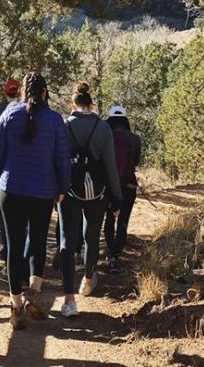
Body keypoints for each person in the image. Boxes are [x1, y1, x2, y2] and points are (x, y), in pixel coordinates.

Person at [0, 72, 70, 330]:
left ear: (22, 90)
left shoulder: (9, 115)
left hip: (10, 188)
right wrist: (63, 188)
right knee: (37, 243)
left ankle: (15, 306)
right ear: (45, 93)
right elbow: (62, 158)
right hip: (43, 190)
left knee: (13, 247)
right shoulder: (55, 120)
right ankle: (33, 296)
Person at [58, 83, 122, 317]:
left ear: (73, 103)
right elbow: (110, 165)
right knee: (91, 236)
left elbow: (58, 160)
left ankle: (68, 300)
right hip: (98, 190)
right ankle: (87, 278)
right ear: (91, 104)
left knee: (67, 240)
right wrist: (117, 196)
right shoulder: (103, 128)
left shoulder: (63, 126)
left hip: (68, 189)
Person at [104, 105, 142, 274]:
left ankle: (109, 253)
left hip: (108, 185)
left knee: (109, 218)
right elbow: (136, 163)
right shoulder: (135, 139)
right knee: (123, 220)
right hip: (129, 185)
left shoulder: (105, 136)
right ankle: (116, 254)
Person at [0, 78, 20, 260]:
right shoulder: (29, 111)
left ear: (5, 92)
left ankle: (8, 251)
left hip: (3, 175)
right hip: (25, 174)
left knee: (5, 218)